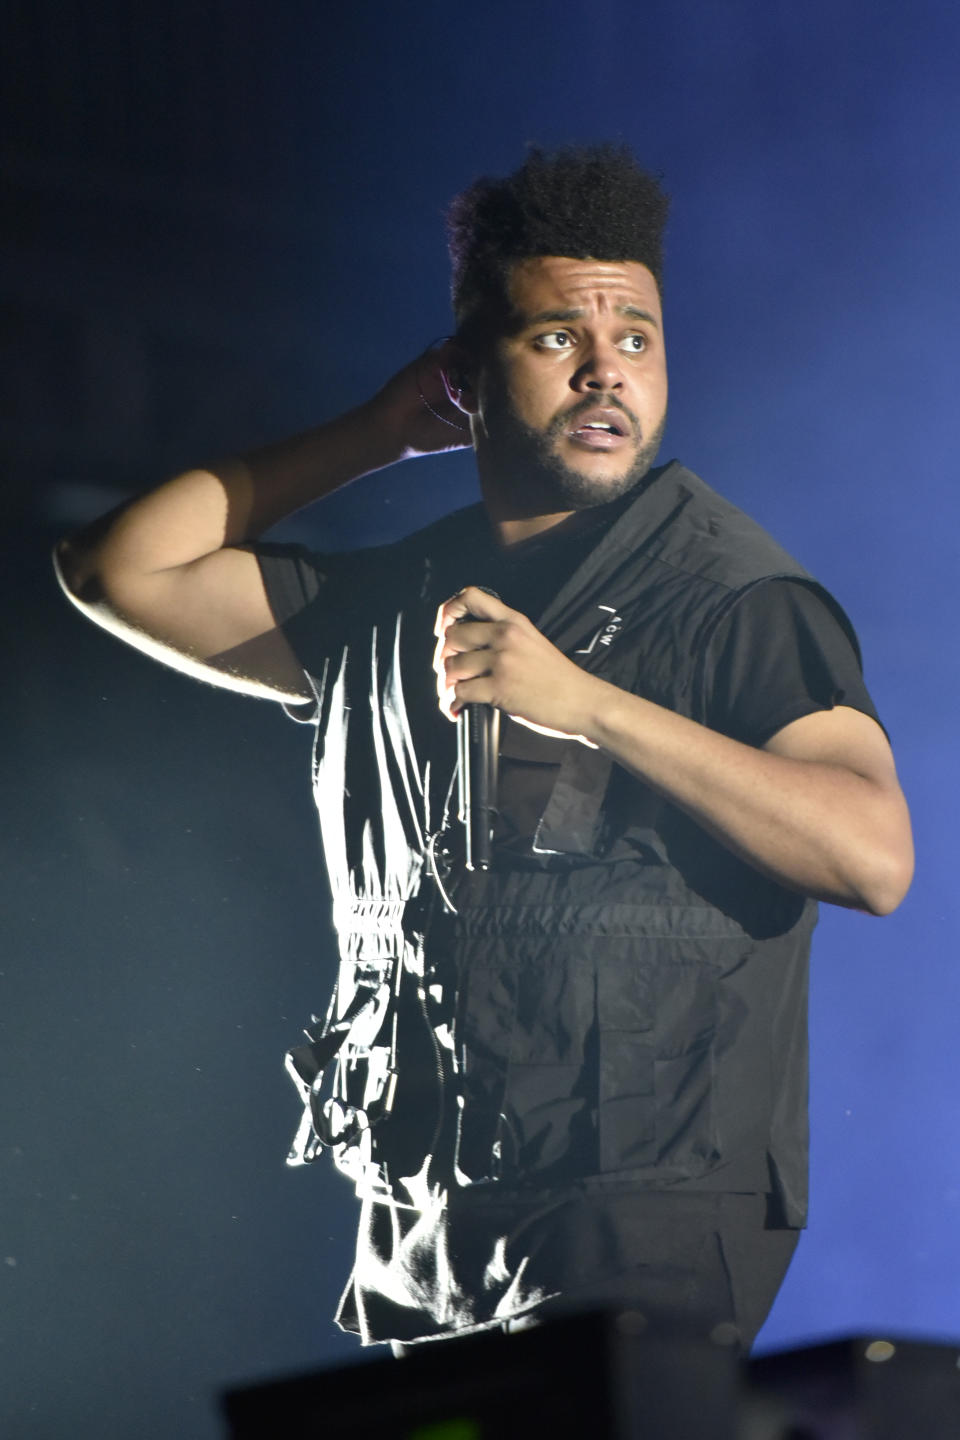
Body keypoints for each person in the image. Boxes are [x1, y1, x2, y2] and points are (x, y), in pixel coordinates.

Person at [55, 145, 913, 1355]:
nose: (608, 370)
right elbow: (117, 569)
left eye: (638, 339)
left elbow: (873, 853)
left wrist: (592, 704)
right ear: (465, 372)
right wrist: (376, 430)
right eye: (560, 338)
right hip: (428, 1232)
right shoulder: (396, 600)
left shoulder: (733, 596)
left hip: (638, 1217)